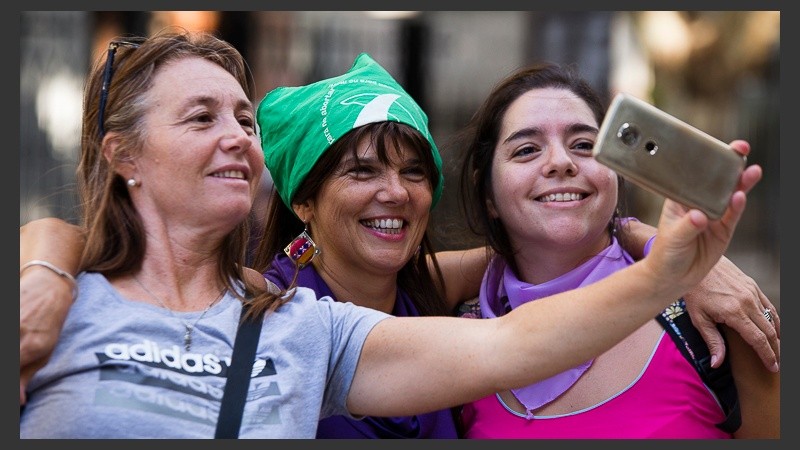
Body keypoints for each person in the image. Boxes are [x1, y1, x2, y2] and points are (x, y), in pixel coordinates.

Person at [19, 45, 777, 439]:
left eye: (244, 122)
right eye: (200, 118)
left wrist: (663, 257)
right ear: (303, 199)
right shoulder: (47, 305)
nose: (397, 193)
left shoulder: (311, 326)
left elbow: (517, 334)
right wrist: (44, 259)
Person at [452, 62, 780, 438]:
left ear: (617, 171)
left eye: (584, 145)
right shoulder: (456, 342)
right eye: (527, 150)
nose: (561, 162)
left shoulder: (712, 319)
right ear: (488, 194)